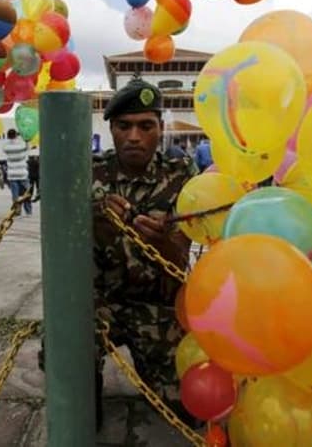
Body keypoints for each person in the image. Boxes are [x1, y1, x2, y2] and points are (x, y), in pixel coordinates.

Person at [41, 78, 198, 429]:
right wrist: (89, 227)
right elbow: (59, 248)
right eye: (124, 126)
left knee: (186, 412)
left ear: (160, 129)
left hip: (158, 309)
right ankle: (86, 385)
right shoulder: (87, 174)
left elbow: (179, 262)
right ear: (110, 128)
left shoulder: (180, 176)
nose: (134, 137)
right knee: (75, 403)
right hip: (98, 304)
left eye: (146, 126)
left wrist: (162, 241)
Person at [2, 129, 31, 215]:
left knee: (15, 195)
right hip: (22, 173)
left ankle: (17, 211)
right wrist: (24, 139)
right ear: (16, 135)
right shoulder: (20, 145)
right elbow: (27, 147)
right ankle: (28, 211)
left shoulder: (6, 147)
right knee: (26, 193)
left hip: (12, 174)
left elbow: (4, 149)